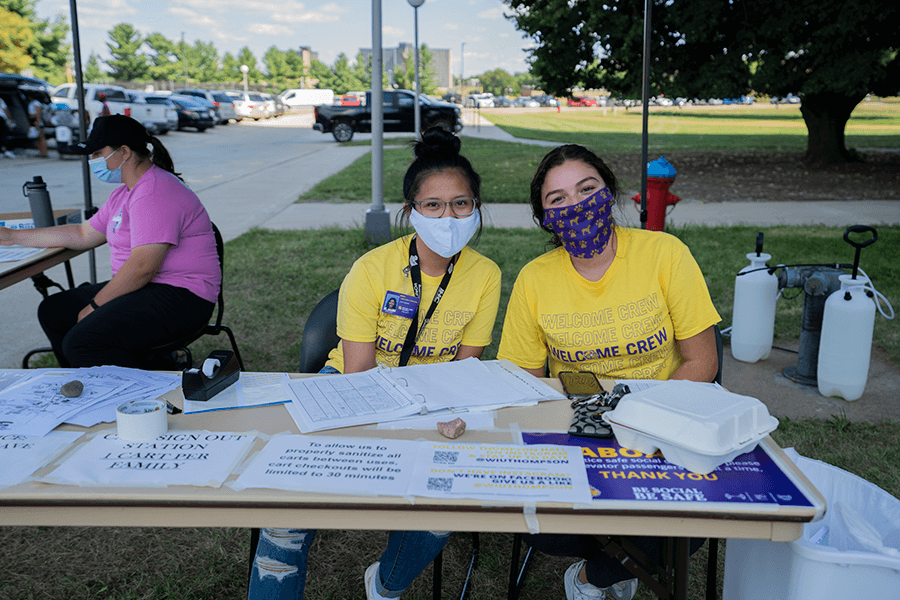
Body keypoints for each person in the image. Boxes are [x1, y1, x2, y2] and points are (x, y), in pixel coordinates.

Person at [248, 127, 502, 600]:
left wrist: (443, 412)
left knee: (441, 509)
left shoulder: (486, 274)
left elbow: (464, 370)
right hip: (349, 383)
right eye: (433, 205)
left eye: (462, 204)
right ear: (410, 212)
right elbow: (358, 373)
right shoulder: (370, 268)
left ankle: (385, 586)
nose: (449, 216)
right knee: (284, 521)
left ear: (477, 208)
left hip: (435, 396)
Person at [497, 144, 720, 600]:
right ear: (544, 217)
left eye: (587, 188)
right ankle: (622, 561)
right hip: (576, 426)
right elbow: (524, 382)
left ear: (610, 192)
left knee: (690, 526)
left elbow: (703, 362)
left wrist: (637, 415)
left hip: (663, 419)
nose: (575, 205)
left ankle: (591, 577)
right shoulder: (534, 279)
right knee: (547, 531)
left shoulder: (664, 254)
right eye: (557, 199)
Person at [0, 114, 221, 369]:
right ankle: (86, 383)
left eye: (96, 153)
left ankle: (144, 391)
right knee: (54, 311)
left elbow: (142, 267)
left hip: (183, 297)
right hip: (150, 288)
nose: (92, 160)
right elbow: (83, 234)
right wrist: (11, 236)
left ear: (124, 152)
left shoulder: (154, 191)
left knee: (83, 342)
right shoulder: (126, 192)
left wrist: (94, 306)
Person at [26, 93, 49, 158]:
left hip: (36, 121)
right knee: (38, 138)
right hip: (33, 121)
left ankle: (44, 152)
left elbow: (38, 113)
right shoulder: (32, 103)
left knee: (41, 138)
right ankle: (41, 152)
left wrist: (37, 122)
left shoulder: (36, 103)